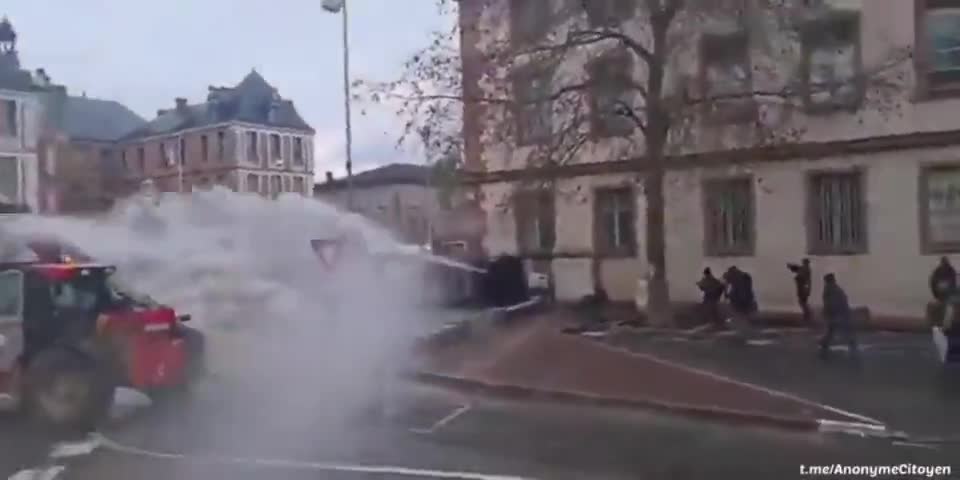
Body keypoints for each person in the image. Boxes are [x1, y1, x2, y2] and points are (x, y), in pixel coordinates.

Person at [819, 273, 859, 360]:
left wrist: (827, 312)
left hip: (837, 314)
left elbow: (831, 303)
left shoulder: (831, 289)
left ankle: (824, 344)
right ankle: (852, 344)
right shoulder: (834, 289)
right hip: (839, 313)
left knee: (836, 329)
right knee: (838, 329)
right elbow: (836, 301)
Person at [722, 266, 756, 341]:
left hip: (741, 299)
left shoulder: (738, 276)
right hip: (744, 299)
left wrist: (726, 294)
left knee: (740, 314)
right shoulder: (744, 276)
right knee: (742, 314)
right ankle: (743, 327)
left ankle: (742, 328)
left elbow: (726, 286)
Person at [788, 258, 813, 324]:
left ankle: (807, 315)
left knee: (802, 302)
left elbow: (799, 271)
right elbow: (797, 269)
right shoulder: (805, 269)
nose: (803, 263)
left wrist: (807, 289)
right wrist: (791, 266)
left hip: (803, 288)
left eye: (804, 262)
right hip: (802, 287)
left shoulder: (806, 269)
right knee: (802, 302)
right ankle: (807, 315)